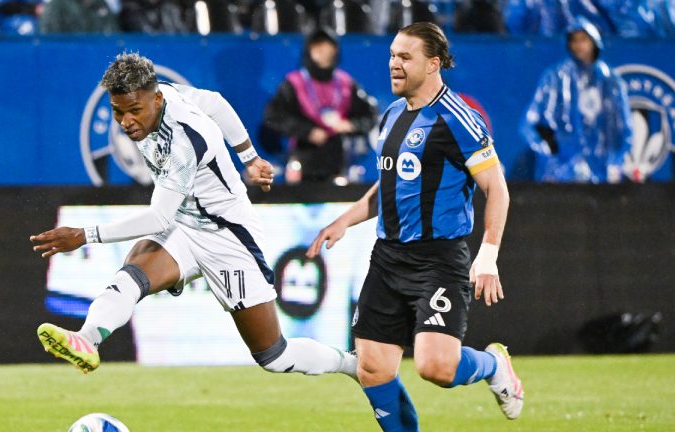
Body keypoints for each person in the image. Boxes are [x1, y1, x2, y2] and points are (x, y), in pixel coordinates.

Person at [30, 52, 358, 382]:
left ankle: (352, 364)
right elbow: (215, 103)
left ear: (155, 99)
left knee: (274, 355)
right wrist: (249, 156)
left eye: (134, 110)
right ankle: (87, 340)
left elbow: (158, 218)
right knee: (131, 274)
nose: (126, 121)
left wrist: (85, 235)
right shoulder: (167, 93)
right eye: (118, 111)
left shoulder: (184, 142)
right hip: (185, 225)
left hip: (228, 238)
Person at [306, 22, 523, 431]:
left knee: (436, 367)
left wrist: (488, 255)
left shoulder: (458, 118)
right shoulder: (391, 116)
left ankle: (494, 365)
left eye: (405, 57)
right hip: (388, 258)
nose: (394, 64)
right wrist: (345, 220)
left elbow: (497, 188)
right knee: (372, 368)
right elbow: (390, 183)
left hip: (437, 260)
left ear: (434, 63)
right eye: (392, 55)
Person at [520, 17, 634, 183]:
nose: (578, 45)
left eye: (583, 39)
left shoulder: (610, 80)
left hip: (603, 177)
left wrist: (616, 163)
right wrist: (549, 153)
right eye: (574, 40)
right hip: (559, 175)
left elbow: (624, 128)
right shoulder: (555, 77)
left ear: (594, 42)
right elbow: (528, 124)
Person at [262, 27, 377, 183]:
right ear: (309, 50)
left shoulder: (346, 83)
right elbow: (273, 117)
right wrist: (307, 131)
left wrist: (351, 125)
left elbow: (370, 115)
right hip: (302, 159)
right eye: (318, 48)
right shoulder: (293, 84)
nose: (323, 53)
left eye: (328, 48)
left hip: (339, 162)